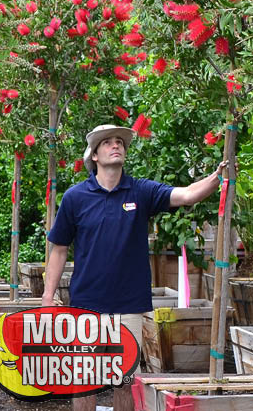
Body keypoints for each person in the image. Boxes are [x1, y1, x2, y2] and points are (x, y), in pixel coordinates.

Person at [43, 124, 229, 411]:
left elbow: (187, 195)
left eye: (120, 142)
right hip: (85, 305)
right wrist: (47, 297)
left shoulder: (140, 191)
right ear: (94, 155)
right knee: (83, 381)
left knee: (126, 381)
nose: (116, 145)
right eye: (108, 143)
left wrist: (217, 178)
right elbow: (59, 249)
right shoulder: (75, 197)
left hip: (129, 306)